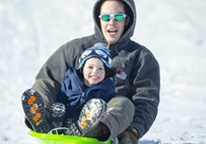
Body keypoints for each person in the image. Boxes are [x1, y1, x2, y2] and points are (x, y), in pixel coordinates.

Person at [22, 0, 160, 143]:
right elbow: (49, 79)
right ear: (98, 19)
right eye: (106, 17)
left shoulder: (140, 57)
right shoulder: (74, 49)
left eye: (118, 17)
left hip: (107, 122)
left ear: (127, 20)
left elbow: (146, 100)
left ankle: (96, 129)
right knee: (43, 84)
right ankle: (42, 121)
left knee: (124, 103)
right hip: (63, 116)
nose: (111, 23)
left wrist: (133, 130)